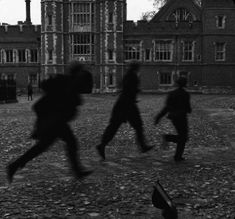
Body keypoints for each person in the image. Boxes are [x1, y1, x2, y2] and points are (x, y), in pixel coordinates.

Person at [7, 62, 93, 183]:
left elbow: (78, 97)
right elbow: (50, 94)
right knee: (69, 143)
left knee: (43, 147)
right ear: (76, 72)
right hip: (54, 121)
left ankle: (14, 166)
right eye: (80, 71)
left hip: (57, 121)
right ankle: (78, 171)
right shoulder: (64, 81)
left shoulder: (72, 83)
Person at [96, 63, 153, 160]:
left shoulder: (127, 75)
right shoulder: (133, 76)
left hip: (123, 104)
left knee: (114, 126)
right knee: (137, 126)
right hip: (127, 105)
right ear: (135, 67)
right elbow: (129, 89)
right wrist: (136, 91)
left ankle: (102, 145)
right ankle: (143, 146)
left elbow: (126, 88)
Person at [154, 77, 192, 162]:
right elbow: (188, 108)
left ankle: (177, 156)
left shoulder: (172, 93)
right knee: (183, 137)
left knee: (182, 136)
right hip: (182, 118)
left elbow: (166, 107)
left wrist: (158, 117)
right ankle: (169, 140)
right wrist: (188, 110)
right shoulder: (186, 94)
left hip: (173, 118)